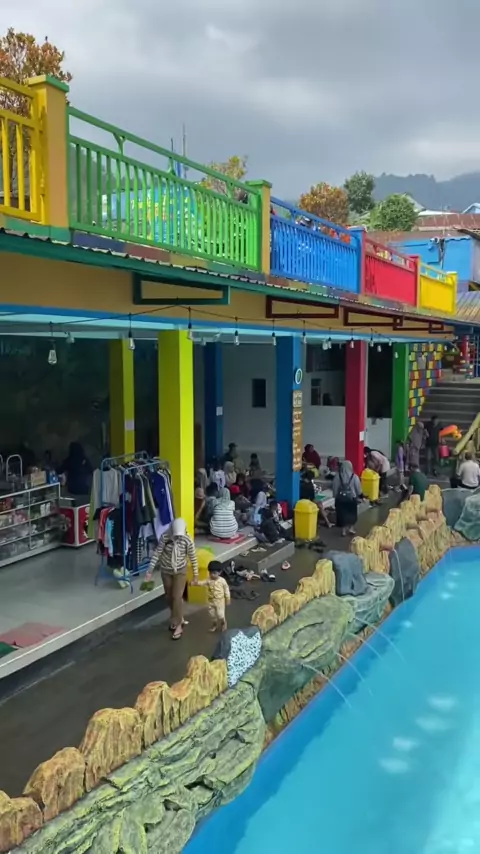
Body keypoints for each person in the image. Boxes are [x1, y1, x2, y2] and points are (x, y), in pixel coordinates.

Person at [148, 518, 198, 640]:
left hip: (180, 571)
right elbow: (157, 553)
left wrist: (195, 575)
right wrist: (149, 571)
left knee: (177, 597)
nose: (177, 538)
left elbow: (193, 557)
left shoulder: (187, 540)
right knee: (169, 597)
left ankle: (178, 624)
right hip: (166, 571)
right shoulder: (165, 537)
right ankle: (178, 617)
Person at [191, 559, 231, 632]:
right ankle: (214, 625)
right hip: (210, 601)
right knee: (212, 615)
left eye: (214, 573)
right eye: (210, 573)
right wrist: (196, 583)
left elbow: (226, 590)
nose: (212, 575)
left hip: (220, 601)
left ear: (220, 572)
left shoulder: (222, 581)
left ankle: (223, 623)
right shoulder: (208, 579)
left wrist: (227, 599)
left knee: (220, 615)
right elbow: (202, 583)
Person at [332, 460, 363, 536]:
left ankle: (343, 531)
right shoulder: (354, 476)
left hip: (340, 499)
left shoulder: (338, 476)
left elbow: (335, 488)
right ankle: (351, 528)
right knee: (351, 514)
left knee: (342, 514)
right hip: (351, 499)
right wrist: (359, 496)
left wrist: (336, 496)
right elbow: (358, 489)